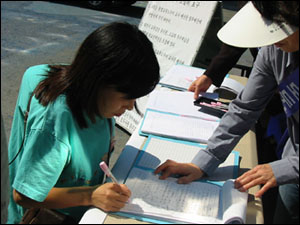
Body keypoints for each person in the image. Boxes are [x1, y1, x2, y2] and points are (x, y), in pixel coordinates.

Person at [154, 1, 299, 224]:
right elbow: (245, 108)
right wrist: (204, 161)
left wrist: (288, 167)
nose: (271, 39)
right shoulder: (274, 49)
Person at [7, 21, 160, 223]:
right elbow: (24, 195)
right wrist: (90, 195)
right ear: (99, 81)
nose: (131, 106)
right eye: (127, 96)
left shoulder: (100, 105)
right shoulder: (57, 122)